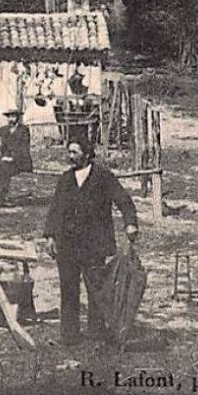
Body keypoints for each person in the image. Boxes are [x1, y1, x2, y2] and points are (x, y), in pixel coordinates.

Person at [41, 139, 138, 347]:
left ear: (86, 154)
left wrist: (130, 224)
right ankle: (69, 334)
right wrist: (50, 236)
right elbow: (56, 209)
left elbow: (124, 200)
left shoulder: (103, 177)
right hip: (67, 245)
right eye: (69, 152)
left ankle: (96, 331)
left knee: (95, 288)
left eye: (74, 152)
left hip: (93, 244)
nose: (70, 156)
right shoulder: (65, 179)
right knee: (68, 289)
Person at [0, 109, 34, 204]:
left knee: (4, 167)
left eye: (13, 116)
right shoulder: (4, 130)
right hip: (6, 159)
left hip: (21, 160)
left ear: (18, 118)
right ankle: (0, 195)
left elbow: (24, 148)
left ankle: (1, 196)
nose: (11, 119)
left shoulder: (23, 130)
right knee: (3, 165)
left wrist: (12, 157)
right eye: (9, 117)